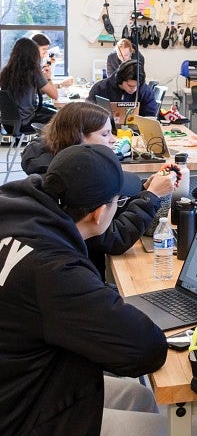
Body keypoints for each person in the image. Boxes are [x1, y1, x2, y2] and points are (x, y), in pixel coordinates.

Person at [0, 144, 168, 435]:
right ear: (100, 213)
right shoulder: (54, 270)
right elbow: (147, 351)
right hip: (21, 411)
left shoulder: (18, 213)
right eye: (119, 201)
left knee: (137, 396)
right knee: (158, 427)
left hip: (21, 373)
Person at [20, 101, 176, 279]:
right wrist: (151, 197)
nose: (113, 139)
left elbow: (108, 209)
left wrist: (144, 190)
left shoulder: (64, 168)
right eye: (105, 134)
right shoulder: (72, 184)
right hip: (83, 272)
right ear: (79, 137)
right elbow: (113, 239)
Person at [0, 37, 71, 127]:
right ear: (33, 54)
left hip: (8, 122)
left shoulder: (6, 72)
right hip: (26, 120)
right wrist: (48, 78)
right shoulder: (33, 72)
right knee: (63, 117)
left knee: (51, 110)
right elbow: (54, 95)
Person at [88, 58, 158, 117]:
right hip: (104, 130)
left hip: (137, 131)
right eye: (130, 85)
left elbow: (150, 116)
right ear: (120, 80)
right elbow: (88, 114)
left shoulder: (145, 91)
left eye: (137, 85)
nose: (134, 89)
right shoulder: (100, 88)